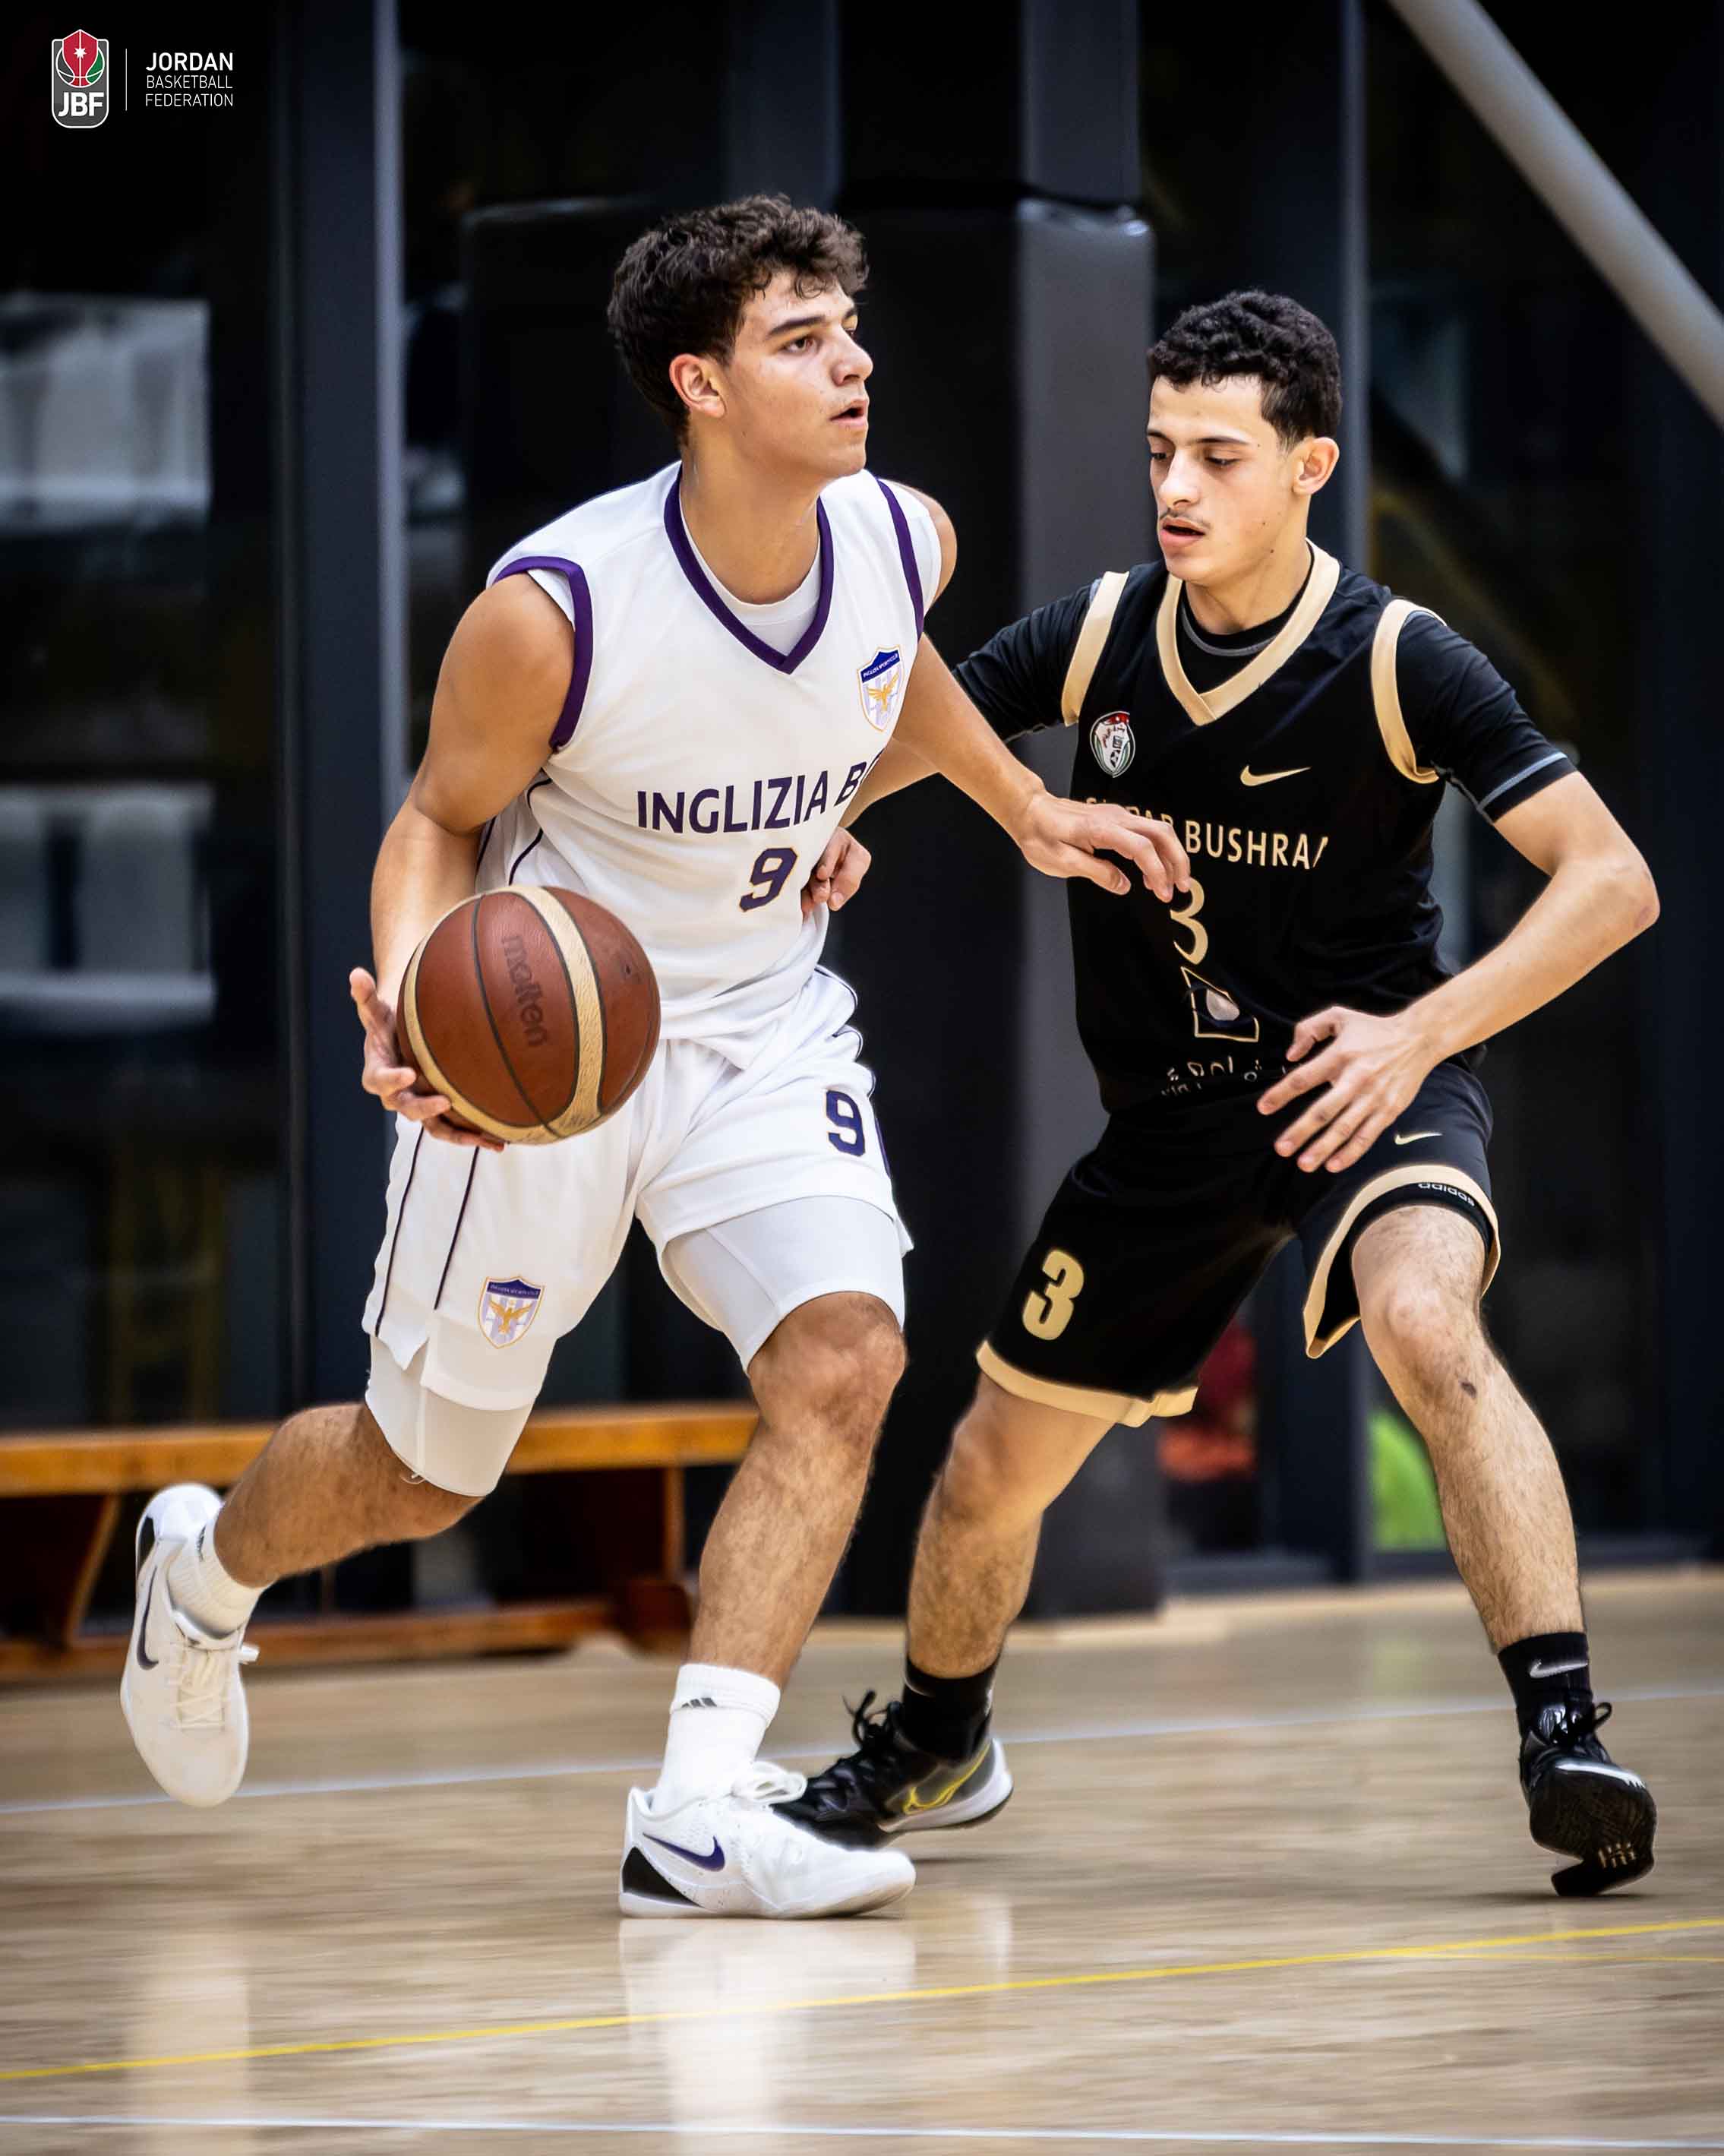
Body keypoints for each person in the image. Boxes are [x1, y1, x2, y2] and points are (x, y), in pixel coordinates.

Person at [119, 197, 1185, 1920]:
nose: (852, 364)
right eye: (799, 341)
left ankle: (694, 1805)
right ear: (699, 383)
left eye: (849, 330)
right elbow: (435, 821)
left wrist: (1013, 803)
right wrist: (413, 1002)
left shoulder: (901, 537)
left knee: (844, 1361)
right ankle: (201, 1574)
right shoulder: (553, 612)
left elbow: (887, 676)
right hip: (549, 1055)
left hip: (760, 1021)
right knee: (421, 1471)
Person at [784, 290, 1660, 1898]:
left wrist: (1419, 1035)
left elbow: (1612, 881)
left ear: (1310, 465)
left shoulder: (1397, 658)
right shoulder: (1106, 633)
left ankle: (1563, 1737)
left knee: (1422, 1320)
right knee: (984, 1469)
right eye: (1156, 451)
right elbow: (921, 716)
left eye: (1217, 456)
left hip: (1359, 1079)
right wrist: (837, 812)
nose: (1175, 487)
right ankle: (937, 1737)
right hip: (1172, 1123)